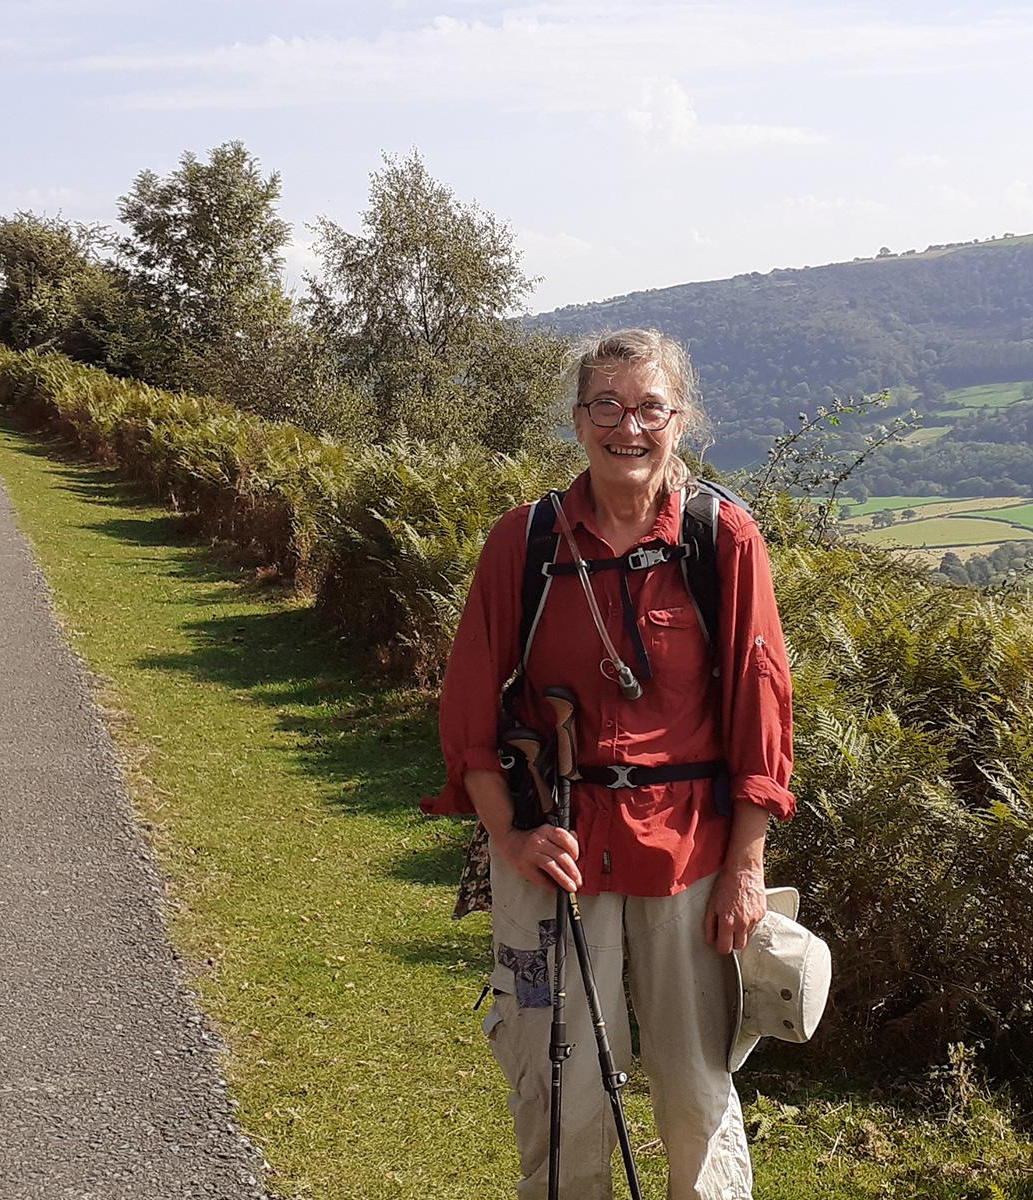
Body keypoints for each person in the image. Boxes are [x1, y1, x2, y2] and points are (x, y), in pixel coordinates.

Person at [428, 328, 795, 1198]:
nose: (627, 426)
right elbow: (471, 711)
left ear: (681, 418)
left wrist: (747, 868)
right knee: (557, 1085)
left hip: (691, 851)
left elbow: (761, 716)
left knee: (696, 1085)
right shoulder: (523, 542)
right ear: (578, 417)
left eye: (649, 407)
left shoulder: (723, 538)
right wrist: (510, 838)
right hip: (553, 841)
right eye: (606, 405)